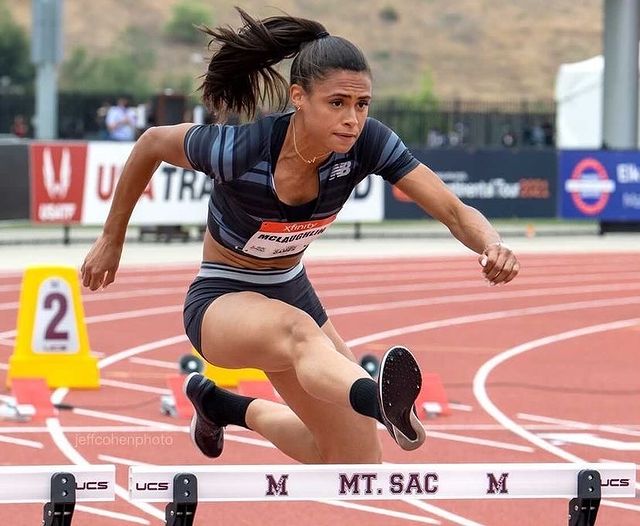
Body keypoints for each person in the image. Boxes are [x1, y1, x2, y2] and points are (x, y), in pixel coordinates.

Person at [81, 8, 520, 464]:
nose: (352, 119)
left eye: (362, 104)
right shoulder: (242, 151)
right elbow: (152, 142)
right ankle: (379, 403)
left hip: (290, 290)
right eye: (337, 103)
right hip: (221, 298)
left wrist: (492, 243)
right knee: (299, 332)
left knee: (353, 461)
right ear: (299, 98)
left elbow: (452, 208)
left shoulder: (368, 143)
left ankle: (222, 406)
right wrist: (112, 237)